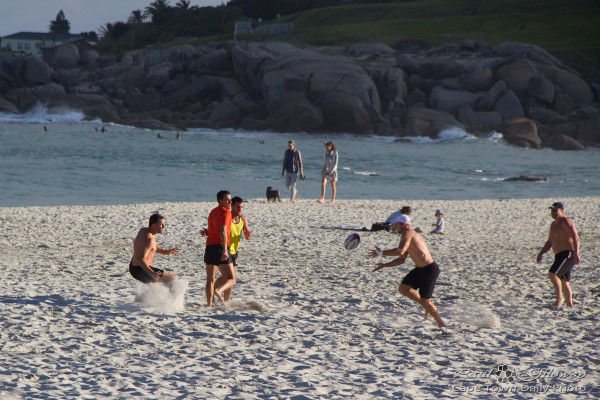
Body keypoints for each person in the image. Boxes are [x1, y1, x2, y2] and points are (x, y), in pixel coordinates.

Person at [369, 214, 446, 328]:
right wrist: (384, 265)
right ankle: (426, 306)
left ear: (404, 224)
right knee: (404, 288)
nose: (395, 226)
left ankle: (441, 324)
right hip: (420, 269)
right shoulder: (408, 235)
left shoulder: (408, 233)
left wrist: (381, 253)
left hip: (429, 269)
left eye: (396, 224)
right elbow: (401, 259)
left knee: (426, 301)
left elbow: (400, 250)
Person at [536, 202, 580, 309]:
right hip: (559, 255)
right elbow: (550, 242)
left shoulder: (566, 221)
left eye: (556, 210)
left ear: (561, 211)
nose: (553, 213)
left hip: (567, 253)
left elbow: (575, 238)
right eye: (552, 211)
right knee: (564, 281)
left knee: (552, 274)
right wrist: (541, 253)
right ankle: (569, 305)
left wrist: (576, 254)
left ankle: (560, 298)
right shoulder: (553, 225)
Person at [203, 190, 235, 307]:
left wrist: (207, 232)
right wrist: (225, 250)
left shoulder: (212, 212)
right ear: (220, 201)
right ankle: (218, 291)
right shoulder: (226, 212)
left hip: (209, 247)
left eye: (230, 200)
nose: (229, 202)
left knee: (210, 280)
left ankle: (209, 305)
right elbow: (222, 230)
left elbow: (213, 229)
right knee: (231, 278)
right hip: (220, 247)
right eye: (227, 200)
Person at [129, 213, 179, 286]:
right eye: (161, 225)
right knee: (172, 279)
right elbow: (141, 259)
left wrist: (166, 252)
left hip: (134, 267)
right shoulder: (149, 240)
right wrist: (152, 273)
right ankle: (174, 298)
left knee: (154, 289)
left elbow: (153, 247)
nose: (163, 227)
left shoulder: (144, 231)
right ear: (153, 225)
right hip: (141, 268)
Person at [224, 196, 251, 302]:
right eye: (238, 207)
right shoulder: (227, 216)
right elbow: (219, 229)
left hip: (234, 251)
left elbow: (248, 237)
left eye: (241, 207)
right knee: (230, 279)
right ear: (232, 206)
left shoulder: (242, 219)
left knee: (230, 279)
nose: (240, 209)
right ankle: (214, 290)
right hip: (226, 249)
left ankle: (225, 301)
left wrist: (247, 234)